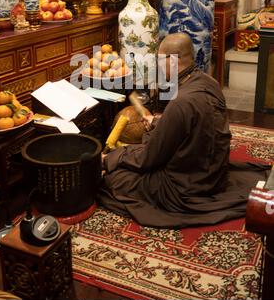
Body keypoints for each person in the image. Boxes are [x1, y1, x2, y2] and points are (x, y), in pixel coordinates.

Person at [98, 33, 270, 228]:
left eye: (160, 61)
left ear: (171, 60)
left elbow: (149, 159)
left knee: (115, 179)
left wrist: (112, 158)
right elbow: (196, 124)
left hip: (184, 187)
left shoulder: (181, 102)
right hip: (213, 173)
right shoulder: (208, 82)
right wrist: (158, 122)